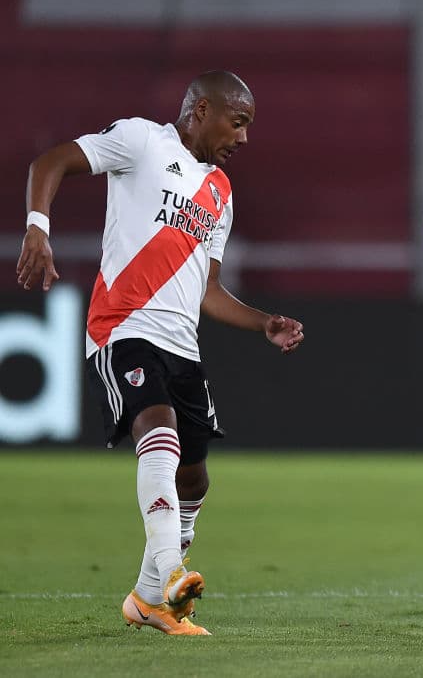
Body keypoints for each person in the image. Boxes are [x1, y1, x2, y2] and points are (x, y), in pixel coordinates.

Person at [16, 70, 305, 636]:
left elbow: (207, 289)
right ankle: (173, 572)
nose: (244, 137)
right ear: (201, 111)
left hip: (181, 345)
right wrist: (37, 227)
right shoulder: (141, 140)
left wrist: (262, 322)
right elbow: (49, 162)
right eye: (238, 122)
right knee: (158, 427)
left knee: (194, 480)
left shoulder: (220, 191)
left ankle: (148, 598)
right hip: (122, 327)